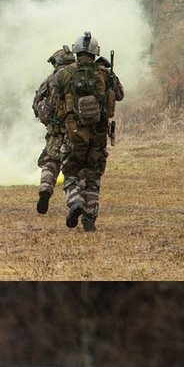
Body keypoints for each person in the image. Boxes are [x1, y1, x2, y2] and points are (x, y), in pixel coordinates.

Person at [49, 32, 125, 231]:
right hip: (98, 134)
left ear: (76, 51)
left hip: (74, 133)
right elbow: (119, 95)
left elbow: (54, 101)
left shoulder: (65, 74)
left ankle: (75, 202)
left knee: (70, 172)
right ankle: (89, 221)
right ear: (95, 52)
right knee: (93, 176)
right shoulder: (105, 73)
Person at [32, 45, 76, 214]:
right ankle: (75, 201)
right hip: (77, 131)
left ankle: (45, 188)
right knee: (74, 167)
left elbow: (37, 104)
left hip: (55, 131)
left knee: (50, 162)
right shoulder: (79, 77)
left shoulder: (50, 80)